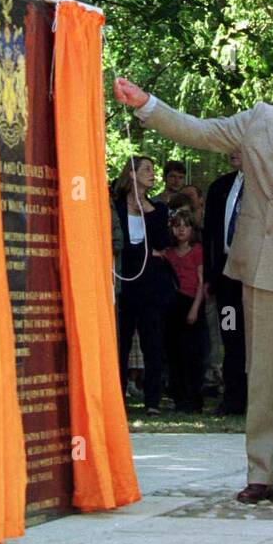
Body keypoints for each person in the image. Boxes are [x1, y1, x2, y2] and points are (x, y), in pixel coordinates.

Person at [115, 37, 273, 503]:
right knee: (262, 373)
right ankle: (260, 473)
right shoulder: (259, 119)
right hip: (262, 267)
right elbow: (198, 130)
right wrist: (147, 105)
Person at [112, 155, 175, 414]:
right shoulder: (115, 205)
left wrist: (147, 210)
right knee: (122, 341)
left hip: (151, 284)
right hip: (124, 281)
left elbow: (161, 243)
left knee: (153, 342)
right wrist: (144, 254)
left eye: (153, 169)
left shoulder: (158, 209)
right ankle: (118, 399)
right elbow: (121, 244)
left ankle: (152, 401)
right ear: (132, 174)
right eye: (146, 169)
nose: (153, 173)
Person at [202, 151, 248, 415]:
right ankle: (233, 398)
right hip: (226, 279)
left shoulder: (267, 184)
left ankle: (267, 400)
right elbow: (209, 234)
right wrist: (210, 277)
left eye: (239, 146)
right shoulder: (219, 187)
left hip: (257, 277)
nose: (233, 152)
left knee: (261, 339)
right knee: (230, 337)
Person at [164, 208, 206, 412]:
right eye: (176, 226)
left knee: (194, 355)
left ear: (192, 229)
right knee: (175, 354)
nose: (181, 230)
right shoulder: (168, 253)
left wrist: (195, 309)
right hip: (173, 304)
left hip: (192, 302)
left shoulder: (198, 250)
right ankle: (178, 398)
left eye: (185, 226)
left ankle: (194, 399)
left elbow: (201, 282)